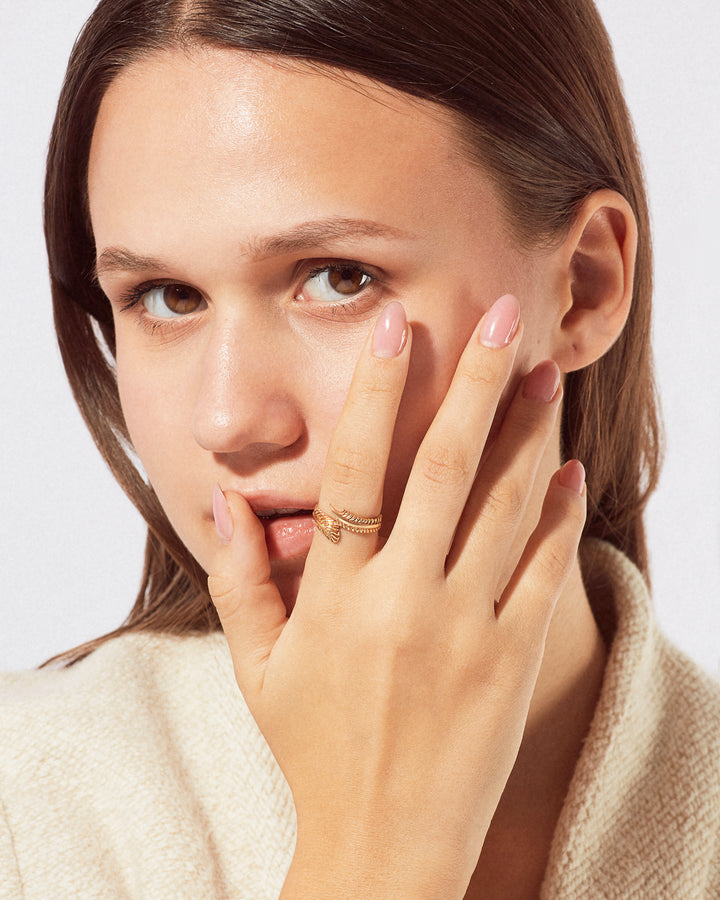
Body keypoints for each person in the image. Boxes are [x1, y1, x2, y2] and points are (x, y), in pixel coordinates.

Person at [1, 0, 718, 897]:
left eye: (339, 279)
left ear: (583, 286)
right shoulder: (22, 818)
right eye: (166, 297)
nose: (228, 420)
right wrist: (375, 856)